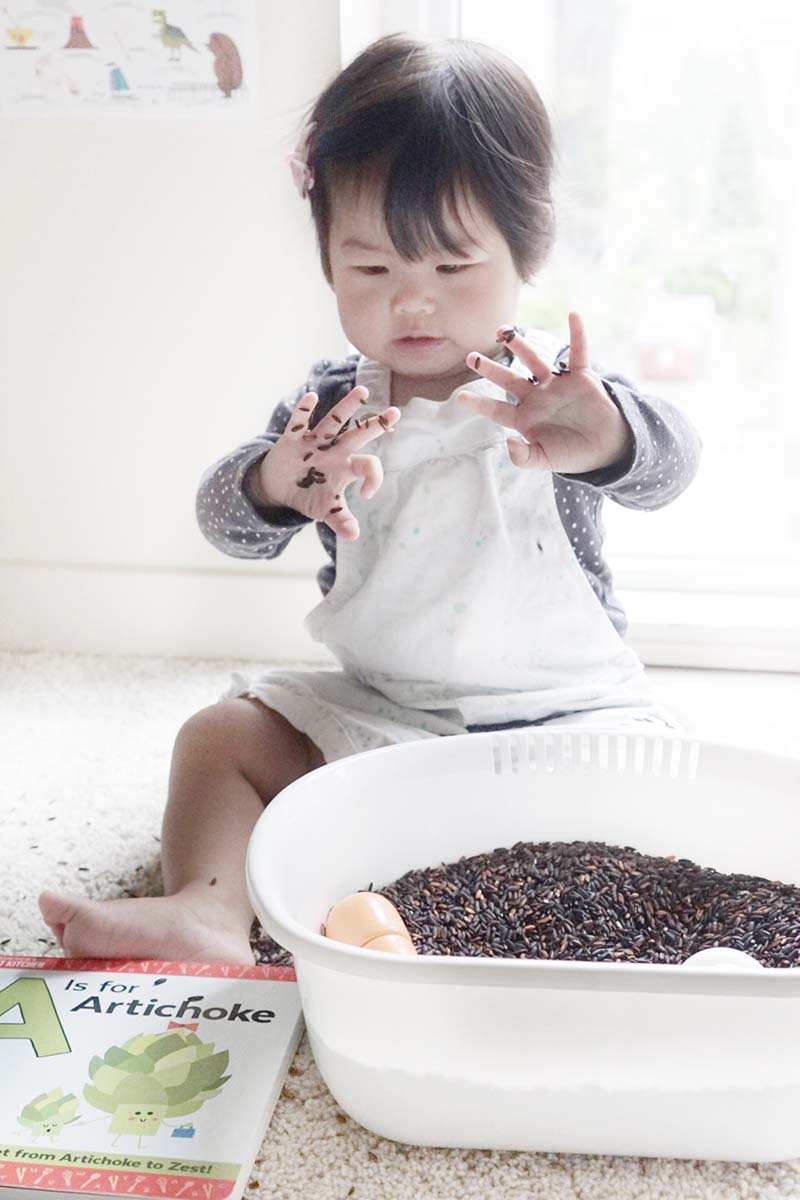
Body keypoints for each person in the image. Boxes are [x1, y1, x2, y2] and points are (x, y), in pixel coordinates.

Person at [39, 33, 701, 965]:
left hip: (569, 721)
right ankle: (208, 908)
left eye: (452, 267)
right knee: (218, 736)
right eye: (374, 271)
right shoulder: (331, 403)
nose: (414, 306)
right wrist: (278, 481)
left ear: (528, 248)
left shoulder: (555, 385)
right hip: (383, 715)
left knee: (661, 821)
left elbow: (671, 468)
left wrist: (610, 437)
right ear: (328, 264)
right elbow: (222, 523)